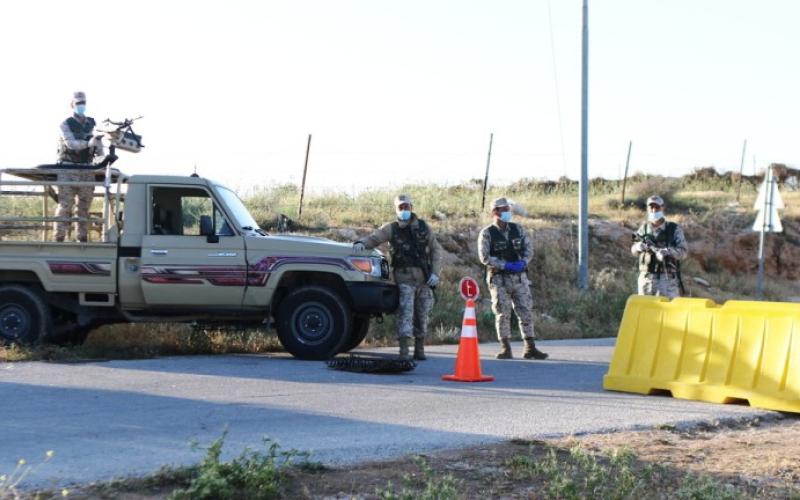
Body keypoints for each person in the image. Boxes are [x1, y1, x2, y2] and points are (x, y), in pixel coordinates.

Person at [353, 194, 442, 361]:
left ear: (411, 207)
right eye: (401, 207)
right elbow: (375, 238)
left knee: (422, 315)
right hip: (404, 279)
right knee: (405, 314)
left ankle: (419, 349)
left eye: (406, 206)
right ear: (396, 209)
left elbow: (436, 250)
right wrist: (361, 244)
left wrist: (435, 273)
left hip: (424, 279)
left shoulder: (424, 227)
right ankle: (404, 352)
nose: (404, 210)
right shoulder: (391, 228)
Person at [478, 197, 548, 360]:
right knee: (502, 313)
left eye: (508, 209)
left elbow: (529, 249)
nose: (507, 212)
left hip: (519, 278)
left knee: (526, 311)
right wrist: (505, 265)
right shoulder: (487, 233)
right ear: (495, 212)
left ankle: (530, 347)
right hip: (499, 279)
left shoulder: (518, 229)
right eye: (503, 209)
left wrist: (523, 262)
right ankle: (505, 348)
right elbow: (484, 257)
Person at [54, 91, 104, 242]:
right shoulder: (65, 124)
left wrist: (101, 156)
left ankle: (82, 239)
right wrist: (88, 143)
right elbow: (71, 144)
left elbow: (98, 145)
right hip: (68, 169)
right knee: (65, 206)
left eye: (83, 102)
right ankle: (58, 238)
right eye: (78, 103)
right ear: (72, 104)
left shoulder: (92, 123)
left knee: (84, 207)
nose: (81, 105)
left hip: (87, 168)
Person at [630, 195, 689, 298]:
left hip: (667, 280)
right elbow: (633, 250)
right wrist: (638, 247)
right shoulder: (643, 229)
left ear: (663, 208)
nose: (654, 210)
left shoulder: (673, 229)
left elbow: (684, 252)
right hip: (646, 279)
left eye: (657, 207)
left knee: (669, 307)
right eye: (651, 207)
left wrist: (668, 252)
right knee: (645, 307)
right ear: (647, 209)